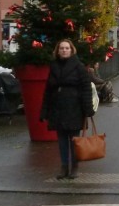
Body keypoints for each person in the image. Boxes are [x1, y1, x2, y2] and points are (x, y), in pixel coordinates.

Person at [40, 39, 95, 180]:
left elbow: (86, 88)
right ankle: (64, 166)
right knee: (62, 140)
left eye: (67, 48)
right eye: (62, 48)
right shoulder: (54, 66)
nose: (64, 50)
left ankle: (74, 166)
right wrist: (44, 111)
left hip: (74, 107)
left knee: (74, 140)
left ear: (71, 50)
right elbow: (48, 90)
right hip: (57, 107)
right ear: (58, 51)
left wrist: (88, 108)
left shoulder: (79, 66)